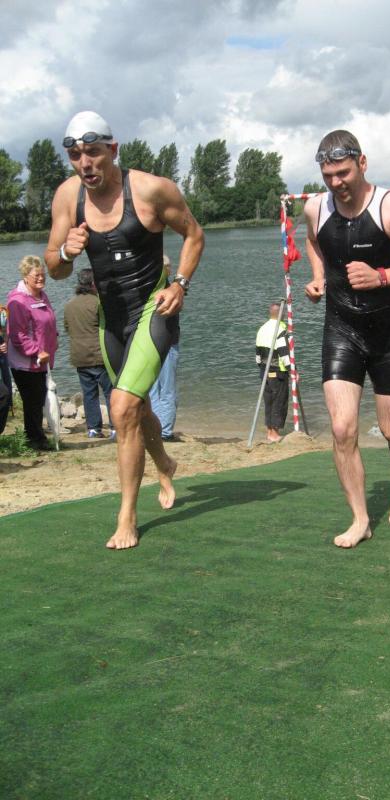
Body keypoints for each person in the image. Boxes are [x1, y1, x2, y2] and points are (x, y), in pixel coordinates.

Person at [45, 111, 204, 550]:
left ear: (113, 150)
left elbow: (194, 235)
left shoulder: (151, 189)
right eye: (76, 155)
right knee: (134, 408)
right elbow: (55, 268)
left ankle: (127, 517)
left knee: (121, 406)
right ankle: (164, 464)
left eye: (94, 152)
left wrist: (180, 284)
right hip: (110, 320)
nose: (85, 163)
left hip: (154, 308)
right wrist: (66, 252)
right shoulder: (68, 197)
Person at [304, 130, 390, 548]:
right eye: (328, 176)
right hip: (340, 329)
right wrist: (317, 277)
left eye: (343, 173)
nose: (336, 183)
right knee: (342, 427)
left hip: (388, 333)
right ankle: (360, 518)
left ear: (362, 163)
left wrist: (381, 276)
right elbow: (312, 241)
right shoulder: (315, 207)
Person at [6, 255, 59, 450]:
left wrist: (55, 338)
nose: (41, 278)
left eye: (43, 275)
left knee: (40, 398)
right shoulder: (17, 301)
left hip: (43, 359)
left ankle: (38, 435)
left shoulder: (42, 296)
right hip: (26, 362)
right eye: (36, 275)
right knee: (33, 401)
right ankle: (35, 440)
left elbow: (48, 322)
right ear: (25, 276)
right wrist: (37, 351)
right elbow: (17, 335)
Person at [63, 268, 114, 438]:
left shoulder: (69, 305)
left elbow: (67, 328)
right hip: (100, 356)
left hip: (80, 356)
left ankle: (93, 428)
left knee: (89, 394)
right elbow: (110, 328)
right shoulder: (99, 303)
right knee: (110, 392)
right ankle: (116, 427)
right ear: (93, 283)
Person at [148, 255, 180, 441]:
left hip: (151, 344)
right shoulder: (169, 291)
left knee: (154, 388)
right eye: (169, 267)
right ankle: (165, 431)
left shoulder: (150, 289)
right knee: (166, 389)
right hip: (166, 344)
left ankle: (156, 428)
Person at [255, 301, 290, 443]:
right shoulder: (280, 328)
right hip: (278, 372)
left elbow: (257, 355)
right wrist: (292, 370)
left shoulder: (262, 329)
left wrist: (262, 368)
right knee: (279, 401)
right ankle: (274, 434)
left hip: (264, 370)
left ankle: (269, 432)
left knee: (268, 401)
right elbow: (284, 353)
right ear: (282, 314)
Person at [0, 303, 12, 434]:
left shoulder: (2, 310)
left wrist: (4, 341)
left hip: (2, 358)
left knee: (6, 394)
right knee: (4, 394)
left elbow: (5, 331)